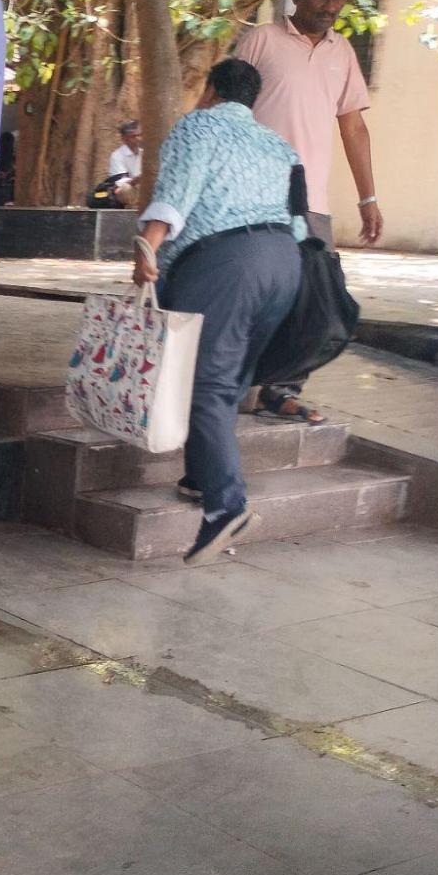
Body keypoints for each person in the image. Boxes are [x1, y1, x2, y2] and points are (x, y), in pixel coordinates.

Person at [131, 57, 304, 566]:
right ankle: (199, 474)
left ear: (210, 91)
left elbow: (175, 195)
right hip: (286, 263)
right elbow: (299, 217)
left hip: (227, 264)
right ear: (252, 100)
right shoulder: (280, 146)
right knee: (228, 378)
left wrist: (147, 248)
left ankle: (226, 507)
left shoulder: (199, 125)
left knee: (207, 382)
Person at [235, 0, 380, 424]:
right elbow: (225, 110)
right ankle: (231, 385)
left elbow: (353, 127)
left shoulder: (343, 53)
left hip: (311, 202)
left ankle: (280, 390)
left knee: (311, 300)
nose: (330, 6)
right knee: (251, 292)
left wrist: (368, 197)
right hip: (252, 197)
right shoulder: (261, 41)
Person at [109, 120, 142, 200]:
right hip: (129, 190)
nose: (138, 139)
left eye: (139, 135)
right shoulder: (117, 156)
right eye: (133, 136)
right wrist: (137, 180)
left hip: (143, 189)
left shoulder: (144, 154)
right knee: (126, 189)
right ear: (124, 138)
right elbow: (120, 182)